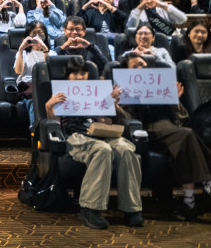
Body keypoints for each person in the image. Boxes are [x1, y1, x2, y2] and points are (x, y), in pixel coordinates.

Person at [120, 52, 211, 220]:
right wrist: (120, 101)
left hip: (173, 128)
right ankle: (208, 182)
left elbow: (183, 117)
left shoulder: (160, 85)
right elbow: (126, 118)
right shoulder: (125, 89)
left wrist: (175, 100)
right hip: (149, 128)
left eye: (143, 65)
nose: (141, 68)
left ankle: (189, 203)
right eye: (135, 67)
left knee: (187, 140)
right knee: (187, 135)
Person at [45, 57, 143, 229]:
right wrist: (49, 106)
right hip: (76, 135)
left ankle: (131, 208)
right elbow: (55, 125)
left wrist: (111, 104)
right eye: (74, 73)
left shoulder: (96, 92)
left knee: (125, 149)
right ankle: (90, 209)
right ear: (67, 76)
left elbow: (107, 123)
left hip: (100, 132)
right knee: (102, 150)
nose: (79, 77)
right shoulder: (61, 93)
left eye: (83, 73)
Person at [14, 21, 53, 127]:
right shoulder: (23, 53)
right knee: (33, 101)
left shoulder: (52, 53)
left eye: (40, 33)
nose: (37, 36)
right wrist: (21, 49)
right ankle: (35, 130)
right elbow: (18, 71)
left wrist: (45, 50)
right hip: (28, 86)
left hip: (46, 85)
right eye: (33, 33)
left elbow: (50, 72)